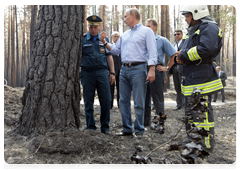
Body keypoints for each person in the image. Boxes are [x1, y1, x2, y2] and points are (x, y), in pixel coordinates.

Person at [100, 8, 157, 137]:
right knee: (123, 100)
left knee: (138, 102)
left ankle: (139, 130)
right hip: (124, 70)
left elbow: (153, 51)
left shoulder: (147, 31)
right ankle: (127, 129)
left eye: (125, 17)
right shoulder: (124, 35)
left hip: (139, 69)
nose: (124, 20)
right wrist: (104, 42)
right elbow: (115, 50)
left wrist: (152, 69)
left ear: (133, 15)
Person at [175, 5, 223, 151]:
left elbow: (206, 49)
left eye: (187, 16)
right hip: (193, 77)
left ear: (197, 14)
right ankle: (193, 140)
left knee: (201, 113)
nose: (185, 19)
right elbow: (189, 50)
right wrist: (181, 57)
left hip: (202, 78)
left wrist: (183, 56)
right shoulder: (196, 29)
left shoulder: (209, 27)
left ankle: (205, 145)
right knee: (191, 112)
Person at [81, 15, 115, 135]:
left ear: (99, 27)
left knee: (106, 100)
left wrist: (112, 72)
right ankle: (90, 127)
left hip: (102, 73)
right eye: (91, 26)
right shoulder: (83, 39)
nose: (93, 29)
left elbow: (109, 56)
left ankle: (105, 127)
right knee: (88, 101)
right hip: (87, 73)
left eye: (95, 27)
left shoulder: (103, 41)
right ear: (88, 26)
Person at [144, 19, 176, 126]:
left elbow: (174, 54)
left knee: (158, 98)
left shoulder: (162, 40)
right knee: (145, 97)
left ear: (155, 27)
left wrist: (167, 67)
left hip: (157, 71)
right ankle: (145, 122)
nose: (146, 28)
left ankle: (160, 122)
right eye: (145, 26)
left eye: (149, 26)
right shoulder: (143, 40)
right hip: (143, 70)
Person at [168, 30, 185, 111]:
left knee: (183, 87)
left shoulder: (185, 43)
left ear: (182, 34)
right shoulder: (173, 45)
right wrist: (169, 70)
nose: (176, 35)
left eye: (178, 34)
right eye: (175, 34)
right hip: (174, 68)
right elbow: (171, 57)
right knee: (177, 87)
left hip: (183, 68)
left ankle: (185, 105)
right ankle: (179, 104)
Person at [109, 31, 122, 109]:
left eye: (117, 36)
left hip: (121, 71)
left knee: (120, 89)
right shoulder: (109, 46)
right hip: (111, 71)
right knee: (110, 88)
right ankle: (110, 105)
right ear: (112, 38)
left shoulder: (123, 46)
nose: (116, 38)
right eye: (115, 36)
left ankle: (120, 105)